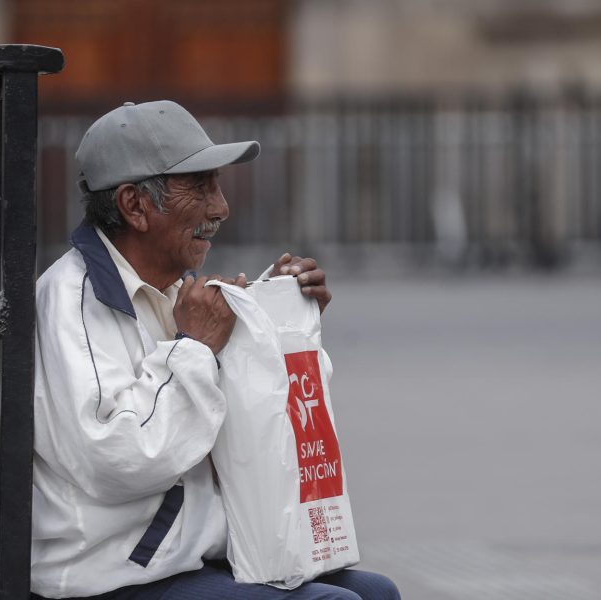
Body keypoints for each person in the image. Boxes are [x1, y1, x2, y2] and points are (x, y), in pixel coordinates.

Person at [29, 101, 400, 600]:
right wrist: (196, 347)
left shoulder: (174, 287)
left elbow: (260, 427)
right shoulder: (72, 299)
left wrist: (283, 333)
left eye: (217, 185)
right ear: (134, 205)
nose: (221, 206)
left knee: (377, 592)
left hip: (193, 553)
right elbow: (117, 459)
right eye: (200, 187)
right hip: (110, 573)